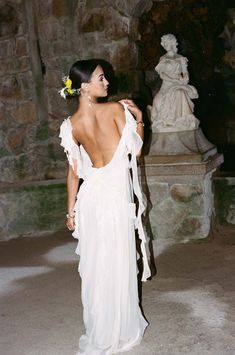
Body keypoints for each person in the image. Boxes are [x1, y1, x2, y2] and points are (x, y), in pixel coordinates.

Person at [58, 59, 151, 355]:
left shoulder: (70, 125)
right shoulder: (115, 110)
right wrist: (139, 118)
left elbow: (74, 173)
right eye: (100, 78)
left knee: (97, 266)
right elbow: (135, 150)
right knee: (118, 262)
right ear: (84, 87)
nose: (107, 82)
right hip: (113, 198)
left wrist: (70, 212)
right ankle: (120, 328)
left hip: (92, 200)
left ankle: (100, 329)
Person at [150, 33, 199, 132]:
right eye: (164, 44)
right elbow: (162, 74)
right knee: (156, 101)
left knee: (179, 93)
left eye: (166, 43)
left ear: (172, 43)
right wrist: (173, 80)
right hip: (167, 85)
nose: (164, 45)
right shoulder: (163, 59)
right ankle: (161, 121)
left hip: (178, 84)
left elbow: (185, 73)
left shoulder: (180, 58)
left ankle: (181, 120)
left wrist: (185, 79)